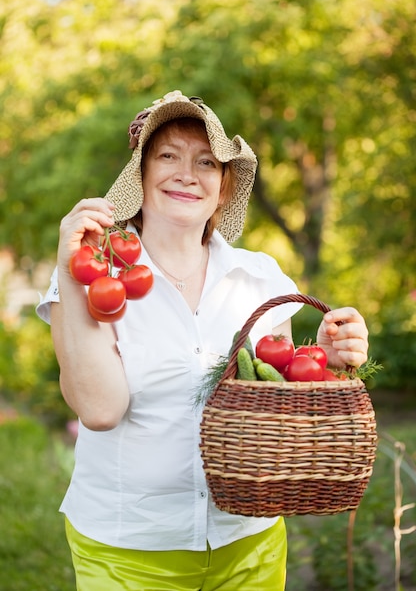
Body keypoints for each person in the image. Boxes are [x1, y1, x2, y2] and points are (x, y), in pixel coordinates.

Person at [37, 90, 369, 591]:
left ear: (223, 188)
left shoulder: (262, 279)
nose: (187, 174)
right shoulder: (91, 276)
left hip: (250, 543)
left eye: (206, 162)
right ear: (140, 175)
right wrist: (68, 268)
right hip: (130, 550)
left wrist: (326, 359)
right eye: (168, 155)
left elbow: (277, 414)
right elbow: (99, 410)